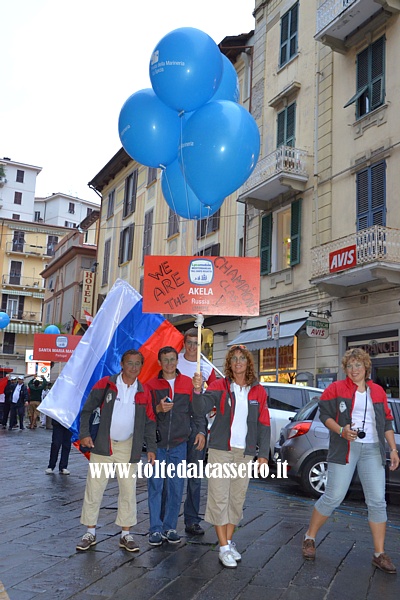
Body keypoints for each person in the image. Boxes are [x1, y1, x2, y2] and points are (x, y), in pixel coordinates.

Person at [302, 348, 399, 574]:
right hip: (344, 447)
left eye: (358, 365)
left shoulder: (377, 391)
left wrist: (393, 449)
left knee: (377, 501)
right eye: (350, 366)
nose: (354, 370)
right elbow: (323, 414)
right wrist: (340, 431)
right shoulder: (336, 388)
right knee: (333, 496)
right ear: (345, 369)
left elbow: (386, 422)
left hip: (373, 449)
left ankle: (379, 554)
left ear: (366, 367)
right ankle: (309, 537)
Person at [192, 344, 270, 568]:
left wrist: (262, 455)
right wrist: (197, 391)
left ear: (248, 363)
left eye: (242, 358)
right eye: (234, 358)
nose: (238, 362)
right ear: (229, 363)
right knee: (219, 497)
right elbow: (200, 408)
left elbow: (264, 424)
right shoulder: (219, 386)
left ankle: (228, 541)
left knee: (236, 500)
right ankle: (224, 547)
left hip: (244, 454)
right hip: (220, 450)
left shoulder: (258, 391)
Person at [76, 349, 156, 553]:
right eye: (130, 363)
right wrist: (84, 434)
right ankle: (90, 532)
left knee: (128, 491)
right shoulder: (106, 384)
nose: (134, 367)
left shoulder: (143, 391)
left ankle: (125, 534)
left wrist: (151, 449)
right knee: (94, 489)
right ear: (122, 364)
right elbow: (86, 410)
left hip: (129, 447)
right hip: (103, 445)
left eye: (138, 363)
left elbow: (149, 422)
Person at [145, 346, 205, 546]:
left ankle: (170, 527)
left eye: (173, 359)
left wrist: (199, 431)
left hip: (179, 444)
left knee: (176, 486)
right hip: (158, 445)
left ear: (177, 361)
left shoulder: (188, 383)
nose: (170, 363)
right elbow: (146, 415)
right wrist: (158, 408)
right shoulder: (151, 385)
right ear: (160, 363)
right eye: (166, 360)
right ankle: (155, 528)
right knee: (155, 485)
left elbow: (197, 411)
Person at [177, 327, 217, 536]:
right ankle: (167, 519)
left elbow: (209, 401)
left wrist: (203, 428)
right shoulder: (174, 361)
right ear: (184, 344)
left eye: (196, 343)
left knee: (194, 475)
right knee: (171, 474)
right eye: (189, 342)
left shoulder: (207, 368)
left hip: (196, 423)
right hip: (175, 422)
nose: (192, 347)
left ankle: (192, 520)